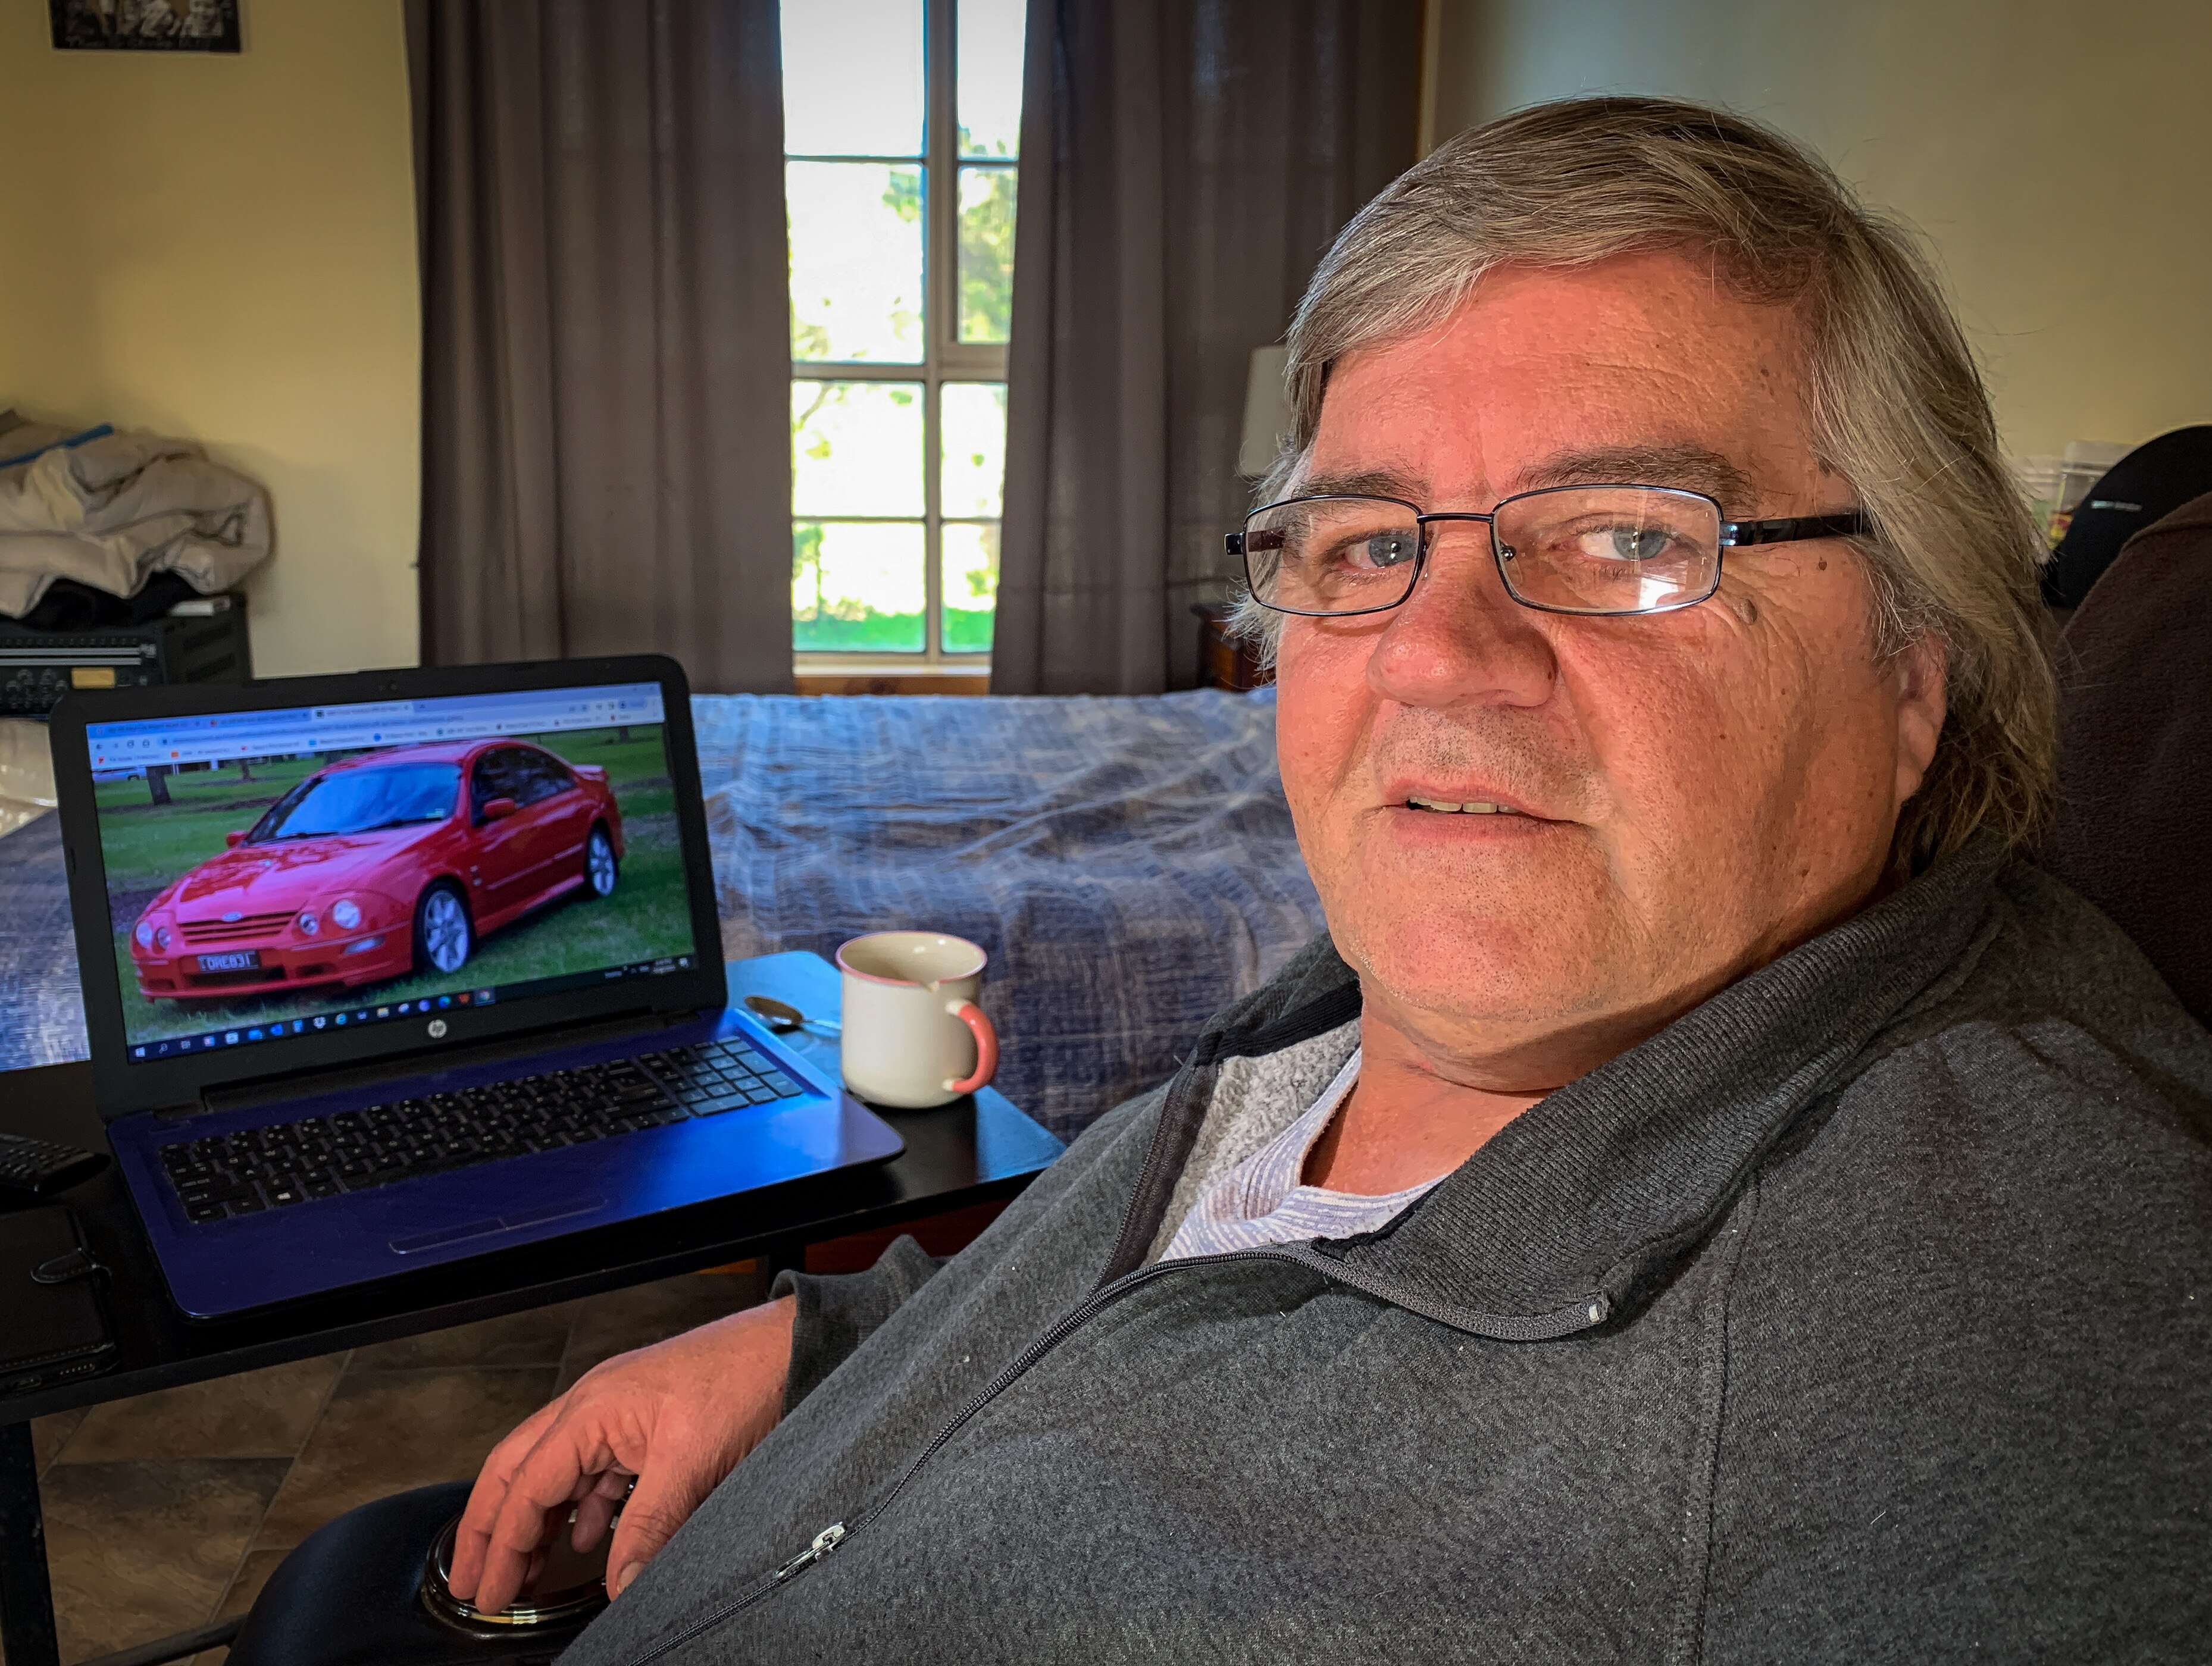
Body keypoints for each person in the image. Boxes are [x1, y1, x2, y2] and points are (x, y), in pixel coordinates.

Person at [235, 96, 2212, 1665]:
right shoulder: (1421, 997)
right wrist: (822, 1346)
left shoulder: (1991, 1315)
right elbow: (1171, 1253)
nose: (1438, 655)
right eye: (1365, 543)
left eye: (1627, 534)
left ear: (1912, 683)